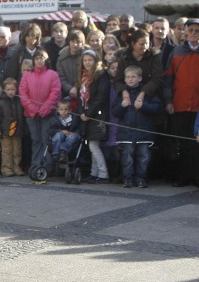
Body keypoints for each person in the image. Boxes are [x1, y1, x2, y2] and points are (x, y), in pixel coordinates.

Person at [163, 18, 199, 187]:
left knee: (198, 144)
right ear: (185, 32)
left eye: (197, 31)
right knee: (182, 142)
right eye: (191, 30)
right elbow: (168, 79)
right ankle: (184, 177)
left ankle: (198, 177)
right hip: (180, 103)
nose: (194, 33)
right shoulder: (177, 51)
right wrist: (168, 101)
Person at [112, 65, 161, 188]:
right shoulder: (122, 94)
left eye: (133, 77)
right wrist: (122, 106)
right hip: (126, 132)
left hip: (144, 132)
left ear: (140, 78)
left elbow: (156, 108)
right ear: (124, 79)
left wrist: (143, 106)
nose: (130, 79)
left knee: (143, 158)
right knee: (127, 158)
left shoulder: (147, 93)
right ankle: (127, 179)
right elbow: (115, 112)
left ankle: (141, 179)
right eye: (128, 77)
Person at [19, 49, 61, 169]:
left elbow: (55, 93)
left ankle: (47, 166)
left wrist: (43, 110)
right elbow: (23, 94)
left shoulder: (53, 74)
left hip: (47, 114)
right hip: (31, 115)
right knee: (36, 140)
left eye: (41, 58)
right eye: (36, 58)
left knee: (46, 139)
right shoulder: (27, 75)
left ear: (46, 60)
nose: (39, 61)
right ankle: (36, 166)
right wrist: (33, 109)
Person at [77, 49, 110, 184]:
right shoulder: (82, 77)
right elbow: (80, 97)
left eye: (90, 60)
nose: (87, 63)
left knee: (93, 145)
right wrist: (81, 112)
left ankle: (103, 173)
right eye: (85, 60)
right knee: (92, 145)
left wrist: (88, 113)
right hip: (86, 115)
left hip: (98, 115)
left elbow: (101, 98)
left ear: (96, 61)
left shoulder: (101, 75)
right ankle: (94, 173)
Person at [0, 78, 24, 176]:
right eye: (8, 89)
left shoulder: (19, 101)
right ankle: (6, 169)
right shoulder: (1, 103)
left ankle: (17, 167)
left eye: (13, 89)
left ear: (16, 90)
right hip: (5, 132)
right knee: (6, 152)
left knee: (17, 151)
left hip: (17, 132)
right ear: (4, 90)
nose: (11, 92)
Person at [56, 29, 87, 99]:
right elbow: (60, 77)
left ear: (82, 43)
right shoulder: (61, 58)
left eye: (78, 42)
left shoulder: (86, 57)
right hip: (66, 93)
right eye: (72, 41)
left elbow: (85, 75)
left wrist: (76, 87)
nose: (75, 44)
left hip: (84, 92)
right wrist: (69, 88)